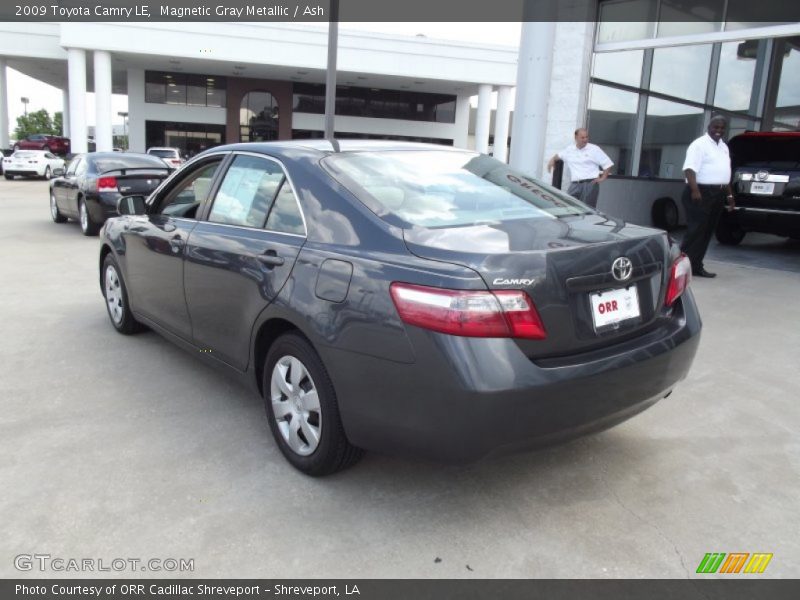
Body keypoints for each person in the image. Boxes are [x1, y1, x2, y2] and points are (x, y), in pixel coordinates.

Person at [680, 115, 736, 278]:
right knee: (695, 231)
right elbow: (689, 169)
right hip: (700, 192)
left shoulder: (723, 147)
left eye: (722, 128)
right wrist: (695, 191)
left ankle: (696, 266)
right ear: (709, 127)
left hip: (718, 193)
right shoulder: (699, 145)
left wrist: (730, 195)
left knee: (707, 232)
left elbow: (725, 173)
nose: (718, 131)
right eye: (715, 127)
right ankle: (682, 270)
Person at [547, 128, 613, 208]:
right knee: (568, 206)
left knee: (587, 209)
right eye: (582, 137)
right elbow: (558, 155)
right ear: (576, 137)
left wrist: (603, 178)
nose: (585, 139)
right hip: (575, 184)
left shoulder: (594, 149)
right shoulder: (570, 149)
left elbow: (608, 163)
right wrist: (552, 160)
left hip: (589, 184)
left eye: (586, 137)